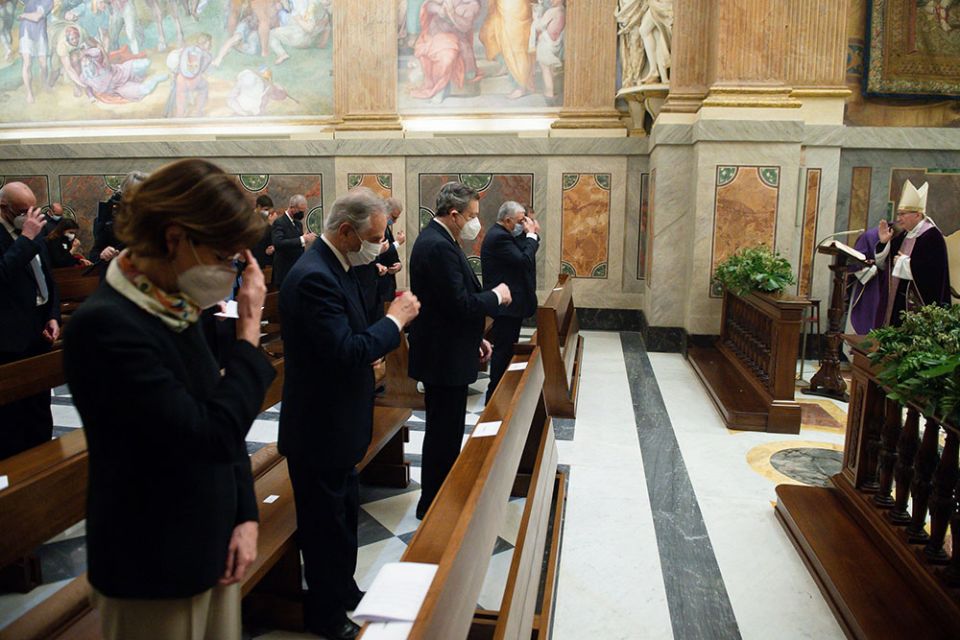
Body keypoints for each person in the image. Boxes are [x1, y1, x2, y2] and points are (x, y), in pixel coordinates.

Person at [63, 159, 276, 640]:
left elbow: (219, 412)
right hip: (155, 561)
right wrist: (247, 338)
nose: (230, 271)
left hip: (214, 539)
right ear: (176, 238)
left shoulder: (173, 301)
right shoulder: (108, 327)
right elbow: (206, 435)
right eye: (224, 255)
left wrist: (244, 513)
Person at [278, 188, 420, 640]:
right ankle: (325, 614)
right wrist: (395, 321)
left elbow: (356, 333)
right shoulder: (313, 276)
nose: (381, 244)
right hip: (320, 427)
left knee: (342, 518)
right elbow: (348, 349)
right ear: (345, 232)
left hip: (342, 422)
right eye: (375, 237)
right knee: (323, 527)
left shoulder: (341, 267)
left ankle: (344, 589)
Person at [408, 181, 512, 519]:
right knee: (442, 435)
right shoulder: (436, 245)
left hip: (450, 349)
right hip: (442, 357)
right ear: (454, 215)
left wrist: (474, 338)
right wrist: (496, 296)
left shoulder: (442, 240)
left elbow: (448, 306)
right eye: (472, 215)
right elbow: (459, 303)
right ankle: (434, 506)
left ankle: (442, 500)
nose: (475, 222)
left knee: (448, 432)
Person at [0, 182, 60, 461]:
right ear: (4, 209)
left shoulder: (35, 231)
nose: (30, 215)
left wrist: (52, 315)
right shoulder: (23, 233)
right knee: (13, 418)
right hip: (8, 340)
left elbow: (47, 277)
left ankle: (44, 462)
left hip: (38, 331)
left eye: (32, 208)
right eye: (23, 210)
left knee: (39, 408)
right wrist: (24, 238)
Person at [480, 201, 539, 404]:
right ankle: (495, 398)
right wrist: (531, 235)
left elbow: (522, 256)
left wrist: (528, 235)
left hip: (512, 305)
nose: (524, 224)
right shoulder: (499, 237)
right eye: (521, 220)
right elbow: (524, 261)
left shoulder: (506, 235)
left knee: (506, 349)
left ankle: (502, 393)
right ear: (508, 220)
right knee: (503, 351)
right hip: (506, 306)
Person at [875, 179, 951, 326]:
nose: (898, 219)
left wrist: (905, 263)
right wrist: (884, 243)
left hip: (918, 306)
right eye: (898, 214)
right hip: (897, 302)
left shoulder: (932, 237)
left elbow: (933, 275)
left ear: (917, 215)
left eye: (903, 214)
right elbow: (883, 265)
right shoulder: (903, 235)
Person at [89, 170, 147, 272]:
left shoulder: (156, 220)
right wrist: (104, 253)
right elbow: (95, 253)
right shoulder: (109, 219)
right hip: (118, 276)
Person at [271, 193, 315, 287]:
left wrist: (304, 240)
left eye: (304, 211)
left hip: (297, 270)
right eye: (300, 211)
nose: (302, 214)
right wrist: (302, 239)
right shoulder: (279, 222)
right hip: (284, 271)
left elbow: (298, 243)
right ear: (292, 208)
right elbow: (278, 243)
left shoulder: (298, 224)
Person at [375, 197, 406, 305]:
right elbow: (377, 254)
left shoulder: (386, 227)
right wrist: (397, 243)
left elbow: (391, 255)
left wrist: (399, 265)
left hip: (389, 284)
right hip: (379, 286)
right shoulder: (376, 229)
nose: (395, 221)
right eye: (394, 217)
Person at [251, 194, 277, 267]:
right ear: (259, 207)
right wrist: (270, 225)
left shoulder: (265, 217)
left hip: (268, 260)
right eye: (266, 209)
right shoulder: (250, 219)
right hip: (254, 260)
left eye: (269, 210)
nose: (268, 212)